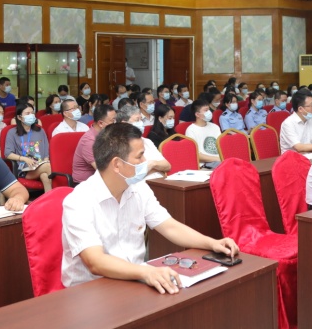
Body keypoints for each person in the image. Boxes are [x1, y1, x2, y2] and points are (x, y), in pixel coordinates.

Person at [61, 123, 239, 290]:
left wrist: (212, 243)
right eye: (139, 156)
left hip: (134, 281)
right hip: (90, 291)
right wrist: (146, 272)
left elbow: (169, 226)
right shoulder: (79, 201)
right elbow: (95, 262)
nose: (145, 161)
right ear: (117, 164)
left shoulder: (138, 188)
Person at [5, 102, 53, 192]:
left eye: (32, 113)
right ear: (19, 117)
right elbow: (8, 154)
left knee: (44, 176)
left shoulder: (40, 131)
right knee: (48, 166)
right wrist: (24, 159)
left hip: (40, 165)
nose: (31, 115)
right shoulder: (12, 133)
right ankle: (61, 194)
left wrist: (45, 159)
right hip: (25, 169)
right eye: (27, 113)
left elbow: (46, 151)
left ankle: (50, 198)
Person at [118, 104, 171, 176]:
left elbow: (167, 166)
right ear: (124, 124)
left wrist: (153, 164)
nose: (141, 123)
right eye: (137, 120)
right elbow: (134, 173)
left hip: (159, 180)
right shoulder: (119, 145)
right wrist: (157, 168)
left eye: (141, 120)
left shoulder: (147, 141)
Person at [73, 104, 116, 184]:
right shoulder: (89, 141)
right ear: (100, 123)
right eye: (112, 121)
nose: (115, 124)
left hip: (100, 178)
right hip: (84, 183)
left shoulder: (106, 134)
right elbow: (102, 170)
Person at [185, 99, 222, 167]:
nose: (209, 112)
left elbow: (221, 147)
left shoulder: (215, 127)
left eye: (209, 109)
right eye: (206, 110)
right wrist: (218, 159)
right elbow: (195, 154)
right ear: (197, 114)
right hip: (205, 164)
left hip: (220, 160)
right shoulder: (191, 130)